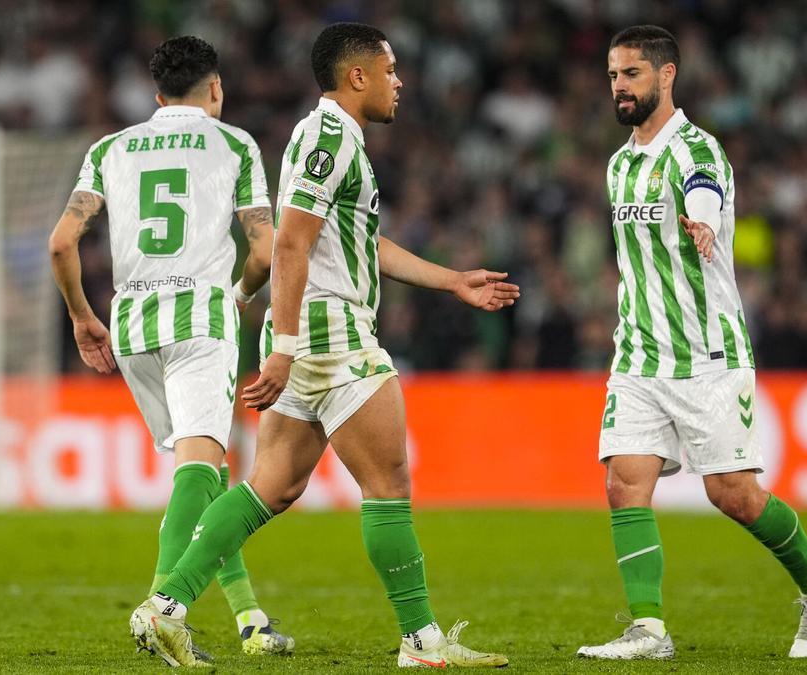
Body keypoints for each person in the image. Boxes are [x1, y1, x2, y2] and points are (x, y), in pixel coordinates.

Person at [129, 22, 518, 669]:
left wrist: (452, 279)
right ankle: (422, 642)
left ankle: (164, 605)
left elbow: (356, 243)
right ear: (356, 75)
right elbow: (289, 240)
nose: (400, 83)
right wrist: (281, 347)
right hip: (329, 333)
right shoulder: (329, 136)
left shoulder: (339, 142)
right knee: (389, 480)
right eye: (390, 71)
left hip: (309, 333)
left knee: (270, 488)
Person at [576, 25, 807, 661]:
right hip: (639, 353)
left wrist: (701, 215)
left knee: (734, 495)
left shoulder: (698, 150)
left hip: (707, 356)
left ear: (666, 76)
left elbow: (706, 188)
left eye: (632, 75)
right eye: (614, 75)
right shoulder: (619, 164)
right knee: (623, 481)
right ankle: (647, 630)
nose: (619, 87)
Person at [47, 35, 293, 664]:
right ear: (215, 88)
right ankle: (162, 609)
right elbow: (265, 251)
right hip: (199, 323)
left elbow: (60, 243)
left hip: (130, 327)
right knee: (201, 468)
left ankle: (251, 621)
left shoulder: (109, 149)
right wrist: (237, 293)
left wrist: (82, 317)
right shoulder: (235, 143)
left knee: (206, 477)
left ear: (156, 96)